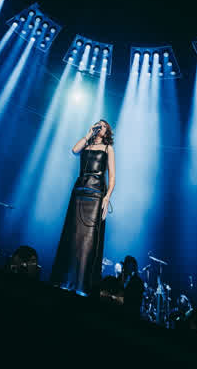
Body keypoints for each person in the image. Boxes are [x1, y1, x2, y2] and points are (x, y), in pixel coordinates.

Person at [50, 120, 115, 296]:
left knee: (88, 239)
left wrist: (107, 197)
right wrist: (88, 135)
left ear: (107, 131)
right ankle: (65, 281)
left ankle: (82, 285)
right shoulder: (86, 145)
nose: (100, 126)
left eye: (103, 125)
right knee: (72, 235)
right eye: (98, 124)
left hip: (96, 195)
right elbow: (74, 150)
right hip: (80, 192)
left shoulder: (108, 148)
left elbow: (112, 176)